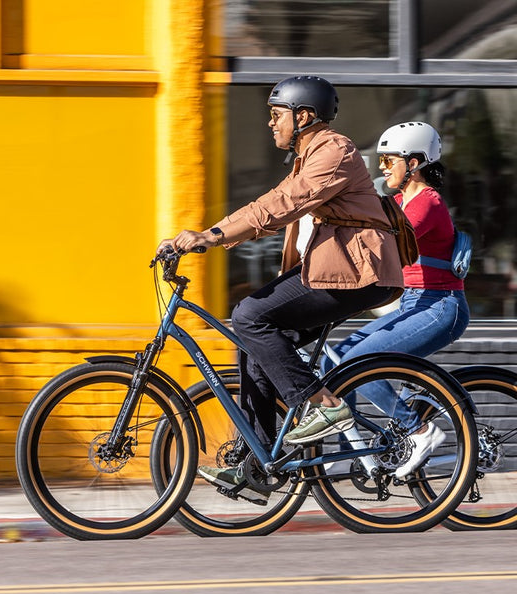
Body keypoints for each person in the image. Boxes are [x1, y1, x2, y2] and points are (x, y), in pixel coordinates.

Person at [157, 75, 404, 503]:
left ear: (303, 116)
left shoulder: (335, 151)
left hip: (362, 272)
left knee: (250, 315)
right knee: (255, 340)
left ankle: (322, 405)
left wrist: (211, 235)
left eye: (277, 115)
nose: (271, 124)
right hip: (337, 270)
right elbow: (276, 206)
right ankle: (256, 465)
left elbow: (281, 204)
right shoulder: (309, 157)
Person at [322, 121, 470, 478]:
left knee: (360, 361)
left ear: (415, 163)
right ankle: (354, 452)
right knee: (335, 361)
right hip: (413, 304)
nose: (383, 167)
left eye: (389, 161)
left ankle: (420, 430)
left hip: (440, 306)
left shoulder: (427, 203)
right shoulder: (400, 201)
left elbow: (381, 242)